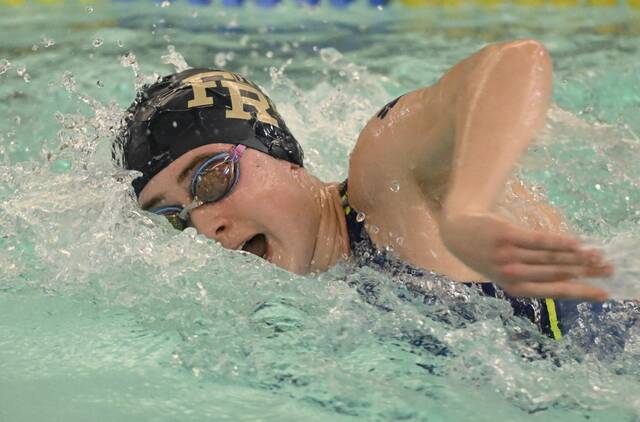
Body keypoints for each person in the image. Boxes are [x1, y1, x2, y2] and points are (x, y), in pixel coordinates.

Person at [113, 39, 615, 339]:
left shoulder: (387, 181)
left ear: (279, 152)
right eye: (176, 214)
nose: (205, 224)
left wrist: (467, 209)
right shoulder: (327, 295)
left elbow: (515, 63)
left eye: (212, 177)